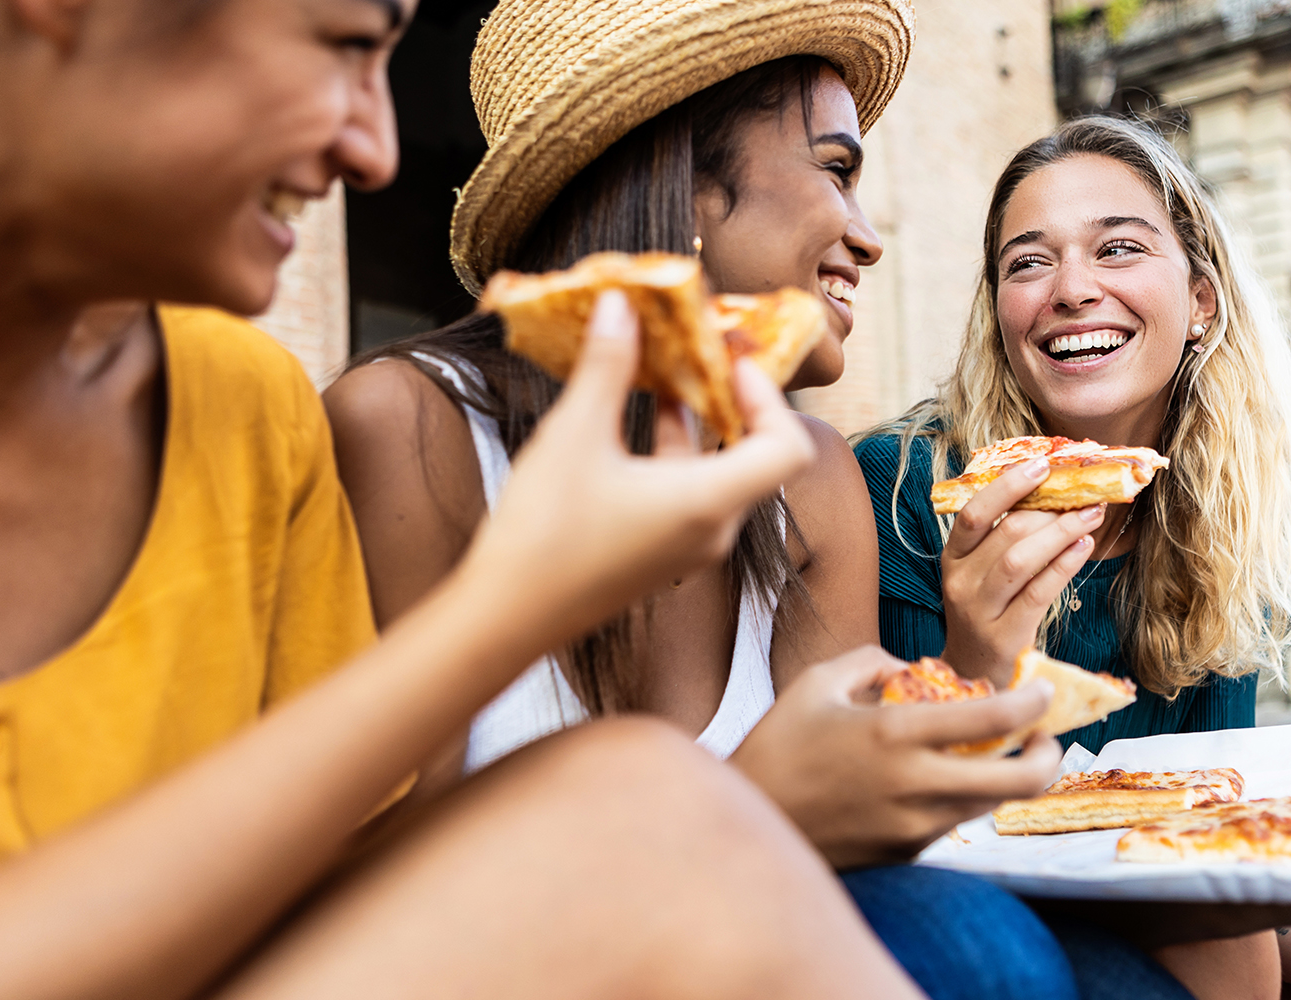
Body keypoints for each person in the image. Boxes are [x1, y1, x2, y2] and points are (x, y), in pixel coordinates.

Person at [0, 0, 935, 996]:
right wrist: (520, 608)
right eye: (344, 43)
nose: (376, 153)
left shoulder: (249, 412)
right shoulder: (389, 429)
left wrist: (984, 657)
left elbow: (346, 893)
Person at [325, 3, 1198, 998]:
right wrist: (750, 803)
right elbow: (387, 915)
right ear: (684, 183)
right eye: (837, 170)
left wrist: (977, 660)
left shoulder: (809, 477)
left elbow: (855, 854)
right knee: (978, 950)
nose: (867, 238)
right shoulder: (409, 428)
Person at [853, 115, 1291, 999]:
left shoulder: (1208, 528)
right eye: (1028, 262)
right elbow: (868, 833)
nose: (1070, 289)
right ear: (1000, 314)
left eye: (1119, 249)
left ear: (1201, 301)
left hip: (1163, 930)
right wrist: (979, 663)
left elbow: (1206, 853)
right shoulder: (905, 490)